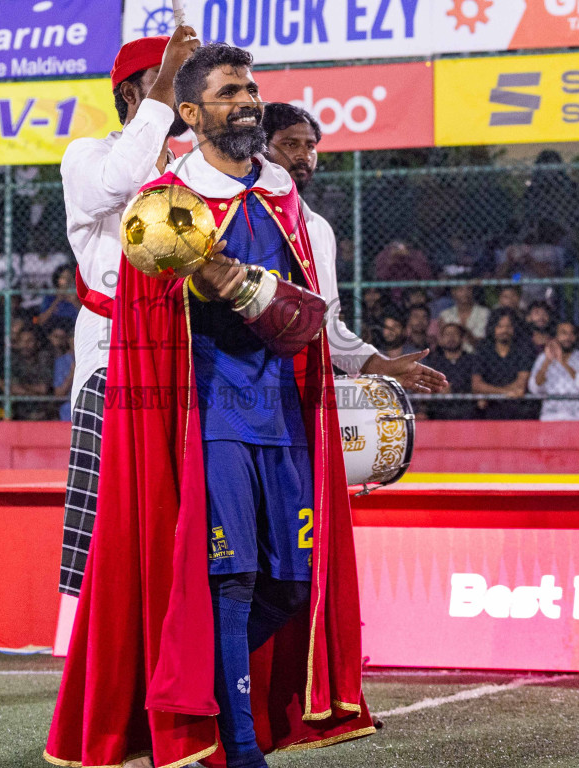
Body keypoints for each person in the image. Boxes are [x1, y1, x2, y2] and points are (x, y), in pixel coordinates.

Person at [47, 43, 372, 768]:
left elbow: (309, 312)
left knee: (292, 585)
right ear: (188, 113)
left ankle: (187, 669)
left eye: (252, 87)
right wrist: (198, 283)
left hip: (285, 416)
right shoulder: (161, 197)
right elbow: (147, 301)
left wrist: (283, 309)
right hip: (207, 416)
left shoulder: (286, 194)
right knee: (227, 578)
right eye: (229, 91)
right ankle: (237, 746)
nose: (248, 100)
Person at [56, 26, 199, 600]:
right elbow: (119, 185)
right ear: (132, 97)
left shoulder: (195, 169)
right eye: (163, 81)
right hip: (112, 345)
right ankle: (84, 638)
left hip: (186, 351)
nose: (178, 90)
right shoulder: (85, 155)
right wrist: (168, 80)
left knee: (181, 505)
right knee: (102, 501)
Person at [260, 102, 444, 393]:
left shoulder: (318, 229)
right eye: (289, 144)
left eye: (310, 146)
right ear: (260, 148)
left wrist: (381, 365)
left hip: (300, 389)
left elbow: (327, 325)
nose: (302, 155)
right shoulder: (239, 213)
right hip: (238, 382)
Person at [472, 309, 536, 420]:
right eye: (500, 326)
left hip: (515, 403)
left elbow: (521, 385)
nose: (504, 330)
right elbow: (476, 385)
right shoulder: (483, 350)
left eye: (508, 326)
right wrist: (505, 392)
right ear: (493, 328)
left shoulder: (523, 349)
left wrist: (490, 394)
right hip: (492, 404)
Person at [527, 320, 579, 421]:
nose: (568, 337)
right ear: (555, 337)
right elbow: (534, 388)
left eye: (571, 333)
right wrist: (547, 362)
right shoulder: (543, 358)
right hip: (550, 416)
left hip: (578, 417)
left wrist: (563, 362)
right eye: (563, 333)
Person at [421, 322, 475, 419]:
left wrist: (454, 389)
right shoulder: (433, 362)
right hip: (438, 410)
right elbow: (426, 385)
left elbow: (475, 384)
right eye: (447, 334)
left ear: (462, 338)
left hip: (466, 409)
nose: (451, 338)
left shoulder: (471, 360)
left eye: (455, 334)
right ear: (440, 340)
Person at [8, 323, 55, 420]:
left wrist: (23, 387)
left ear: (37, 343)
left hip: (42, 412)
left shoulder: (44, 359)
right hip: (20, 413)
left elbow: (43, 389)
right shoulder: (14, 361)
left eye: (29, 341)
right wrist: (36, 393)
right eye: (22, 341)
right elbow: (14, 389)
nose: (25, 345)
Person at [50, 324, 75, 422]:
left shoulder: (94, 359)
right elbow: (59, 394)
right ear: (69, 341)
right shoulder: (62, 362)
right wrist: (72, 375)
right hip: (68, 407)